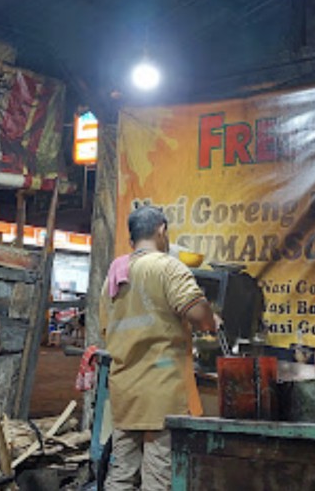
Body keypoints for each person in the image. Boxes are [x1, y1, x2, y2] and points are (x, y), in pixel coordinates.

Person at [102, 205, 217, 490]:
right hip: (162, 392)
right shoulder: (167, 267)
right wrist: (211, 317)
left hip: (125, 391)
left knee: (121, 475)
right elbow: (199, 315)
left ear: (132, 240)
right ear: (162, 230)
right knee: (158, 478)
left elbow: (105, 329)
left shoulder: (113, 278)